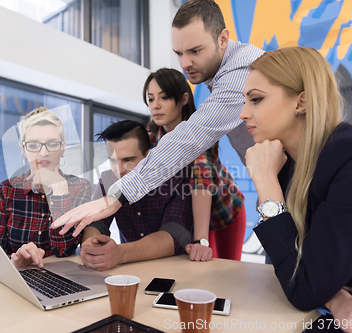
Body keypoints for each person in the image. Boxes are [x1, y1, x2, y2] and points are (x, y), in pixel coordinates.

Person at [51, 0, 264, 237]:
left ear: (223, 39)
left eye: (195, 51)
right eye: (179, 53)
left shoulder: (239, 74)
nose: (185, 64)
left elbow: (192, 149)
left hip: (228, 208)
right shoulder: (151, 131)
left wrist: (117, 196)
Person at [241, 46, 352, 331]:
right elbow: (295, 270)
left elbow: (302, 289)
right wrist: (336, 298)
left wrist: (265, 182)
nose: (243, 114)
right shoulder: (289, 165)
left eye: (256, 100)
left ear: (300, 102)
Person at [0, 107, 91, 278]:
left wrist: (59, 190)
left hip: (58, 281)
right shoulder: (4, 192)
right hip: (11, 280)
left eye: (52, 144)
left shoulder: (80, 187)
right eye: (34, 145)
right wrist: (15, 261)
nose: (43, 152)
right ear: (23, 149)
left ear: (63, 148)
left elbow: (64, 251)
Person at [145, 67, 246, 261]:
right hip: (187, 215)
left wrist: (201, 240)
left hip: (224, 211)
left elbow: (202, 182)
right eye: (151, 99)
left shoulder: (201, 131)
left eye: (164, 97)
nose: (155, 105)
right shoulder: (150, 136)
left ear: (183, 99)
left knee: (227, 271)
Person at [80, 120, 195, 271]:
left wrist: (120, 253)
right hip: (130, 270)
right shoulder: (108, 179)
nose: (119, 170)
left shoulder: (176, 179)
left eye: (128, 160)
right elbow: (95, 224)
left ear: (148, 157)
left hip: (175, 270)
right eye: (113, 161)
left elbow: (174, 235)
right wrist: (92, 246)